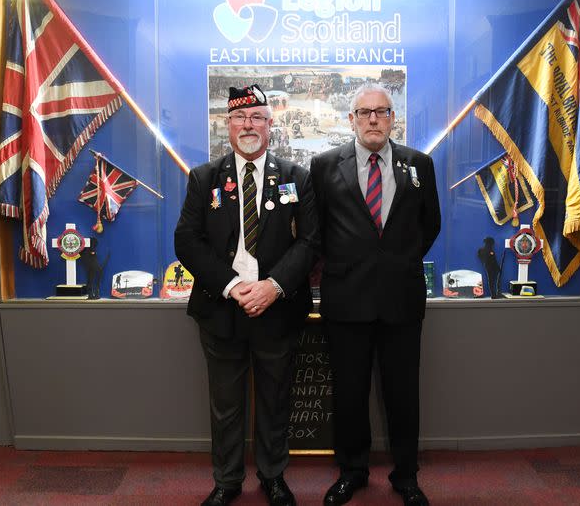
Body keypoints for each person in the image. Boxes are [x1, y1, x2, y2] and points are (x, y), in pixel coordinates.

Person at [175, 84, 318, 506]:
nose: (248, 125)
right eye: (240, 117)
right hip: (222, 308)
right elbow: (187, 241)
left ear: (271, 125)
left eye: (257, 117)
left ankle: (273, 477)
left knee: (275, 402)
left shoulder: (297, 177)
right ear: (227, 124)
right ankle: (227, 480)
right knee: (226, 406)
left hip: (276, 309)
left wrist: (272, 287)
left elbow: (311, 241)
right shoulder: (204, 179)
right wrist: (234, 286)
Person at [310, 83, 440, 506]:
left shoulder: (418, 164)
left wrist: (397, 262)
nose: (373, 119)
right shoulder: (324, 166)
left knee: (403, 394)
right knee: (349, 395)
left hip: (401, 300)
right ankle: (352, 472)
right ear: (351, 120)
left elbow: (429, 225)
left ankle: (406, 476)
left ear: (392, 118)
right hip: (346, 300)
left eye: (382, 112)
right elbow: (316, 232)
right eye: (364, 112)